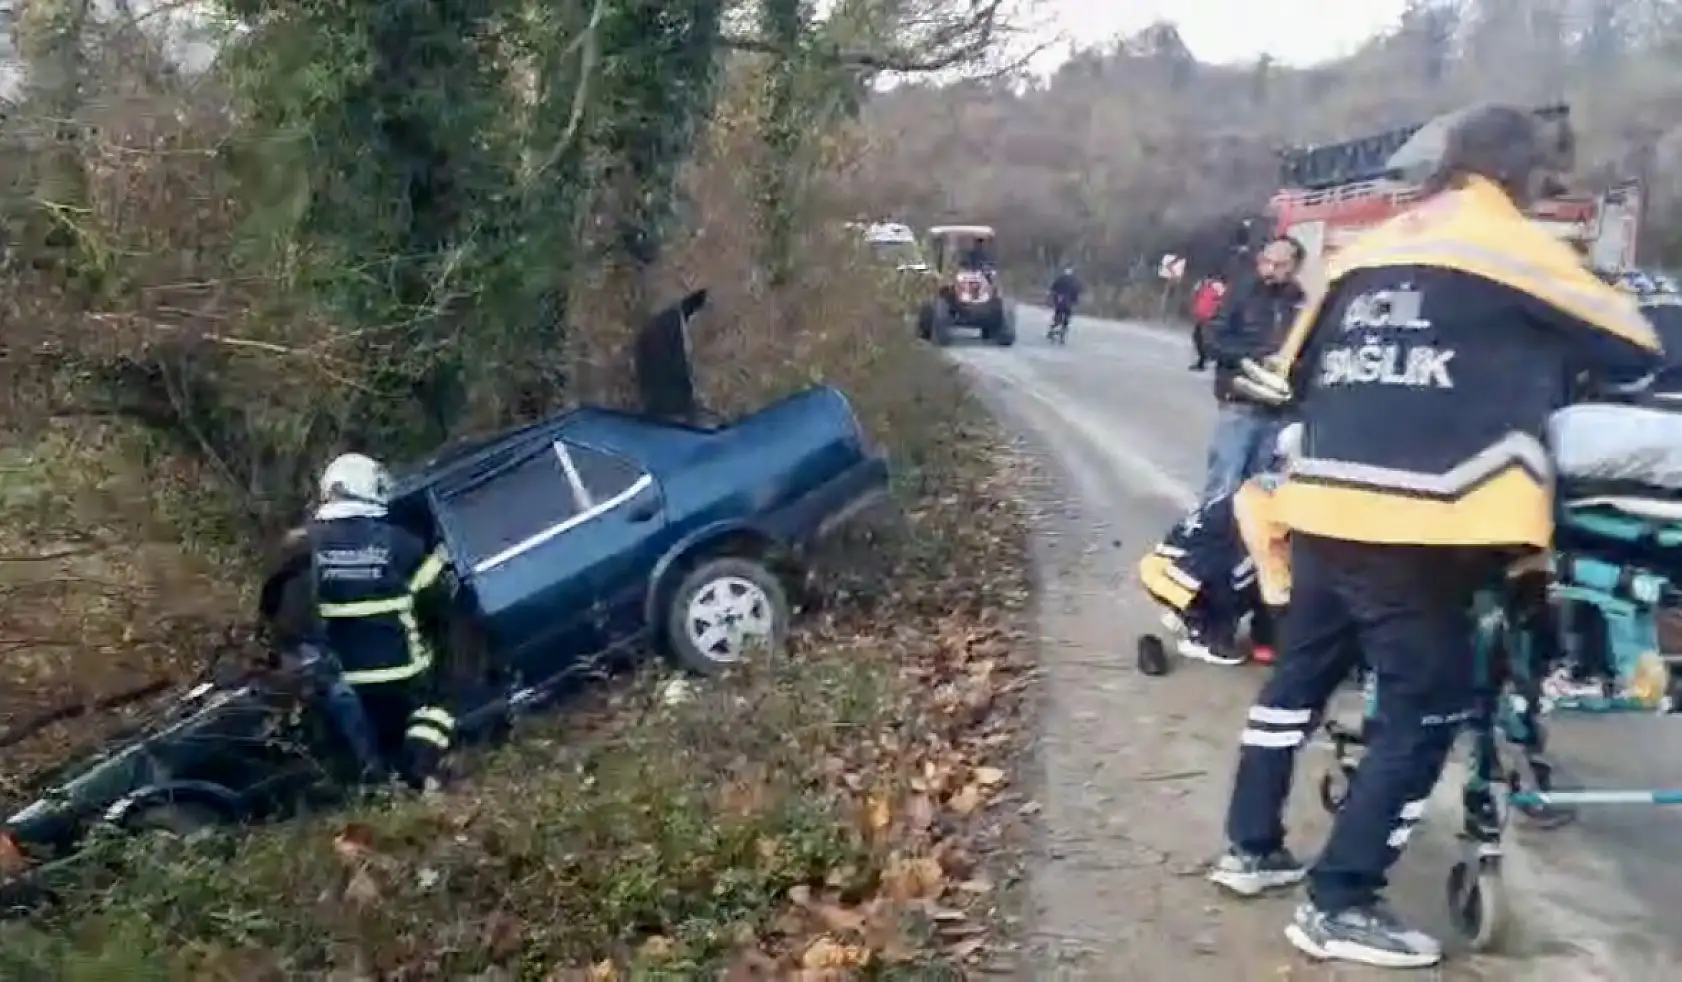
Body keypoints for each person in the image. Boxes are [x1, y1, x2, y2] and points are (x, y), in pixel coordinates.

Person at [1211, 105, 1661, 969]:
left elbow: (1291, 373)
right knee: (1431, 704)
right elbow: (1636, 347)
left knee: (1296, 685)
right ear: (1522, 174)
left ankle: (1251, 850)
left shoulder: (1364, 249)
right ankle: (1340, 901)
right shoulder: (1514, 247)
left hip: (1320, 505)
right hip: (1424, 518)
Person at [296, 452, 459, 789]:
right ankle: (420, 764)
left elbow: (292, 618)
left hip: (345, 685)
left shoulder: (304, 547)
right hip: (404, 678)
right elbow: (441, 607)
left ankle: (376, 778)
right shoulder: (403, 544)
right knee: (445, 697)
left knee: (367, 743)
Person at [1138, 423, 1301, 668]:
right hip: (1180, 570)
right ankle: (1204, 630)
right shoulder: (1269, 500)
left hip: (1190, 565)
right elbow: (1270, 570)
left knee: (1268, 565)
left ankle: (1199, 616)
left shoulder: (1267, 484)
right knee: (1261, 568)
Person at [1201, 235, 1306, 502]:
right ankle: (1208, 537)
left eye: (1280, 264)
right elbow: (1212, 339)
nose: (1270, 269)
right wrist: (1256, 358)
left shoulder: (1300, 301)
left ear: (1294, 266)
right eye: (1266, 261)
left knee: (1262, 489)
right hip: (1240, 403)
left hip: (1279, 410)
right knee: (1224, 482)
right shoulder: (1240, 293)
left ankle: (1248, 542)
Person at [1188, 275, 1228, 371]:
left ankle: (1208, 360)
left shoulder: (1216, 286)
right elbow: (1196, 297)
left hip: (1210, 317)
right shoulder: (1204, 285)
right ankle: (1205, 360)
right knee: (1199, 337)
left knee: (1204, 339)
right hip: (1204, 316)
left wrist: (1217, 312)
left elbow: (1224, 300)